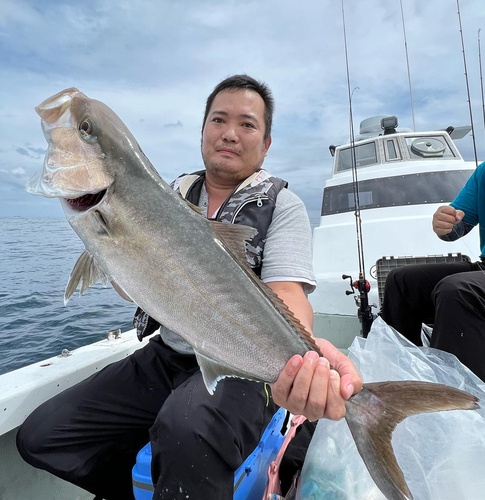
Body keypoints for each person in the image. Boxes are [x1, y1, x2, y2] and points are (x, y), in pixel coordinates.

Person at [16, 75, 362, 500]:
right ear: (203, 132)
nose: (230, 133)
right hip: (170, 354)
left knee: (187, 427)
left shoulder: (282, 205)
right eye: (219, 120)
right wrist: (105, 239)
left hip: (245, 365)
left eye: (247, 124)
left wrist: (308, 360)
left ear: (266, 143)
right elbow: (135, 289)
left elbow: (288, 293)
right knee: (44, 434)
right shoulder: (173, 192)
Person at [381, 161, 485, 382]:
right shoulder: (483, 172)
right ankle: (402, 380)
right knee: (401, 281)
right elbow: (457, 226)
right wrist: (445, 224)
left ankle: (458, 397)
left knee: (455, 290)